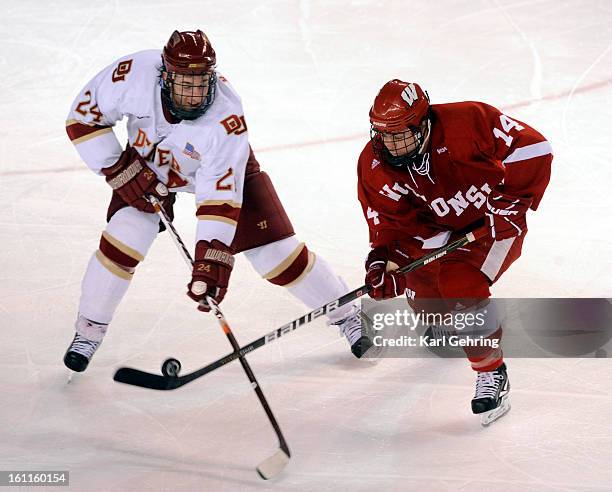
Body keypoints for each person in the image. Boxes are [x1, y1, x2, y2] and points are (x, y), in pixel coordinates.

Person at [63, 30, 373, 372]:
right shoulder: (134, 74)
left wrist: (211, 258)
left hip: (223, 171)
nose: (195, 95)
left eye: (201, 84)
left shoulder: (227, 121)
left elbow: (218, 201)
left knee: (277, 256)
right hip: (148, 166)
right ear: (164, 76)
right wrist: (120, 169)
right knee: (124, 238)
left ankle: (347, 314)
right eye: (185, 84)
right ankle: (88, 332)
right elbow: (83, 118)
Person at [358, 79, 552, 423]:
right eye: (383, 134)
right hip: (438, 235)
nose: (390, 143)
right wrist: (387, 261)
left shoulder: (468, 121)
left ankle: (491, 371)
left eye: (399, 133)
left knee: (459, 283)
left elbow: (532, 148)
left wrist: (511, 204)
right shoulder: (374, 166)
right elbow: (390, 224)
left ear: (423, 123)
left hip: (491, 227)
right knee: (432, 308)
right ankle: (466, 320)